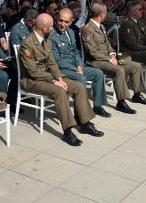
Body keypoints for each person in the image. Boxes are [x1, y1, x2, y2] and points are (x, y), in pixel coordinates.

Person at [19, 14, 104, 146]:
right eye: (51, 25)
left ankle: (85, 123)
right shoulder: (27, 44)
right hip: (32, 81)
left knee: (79, 87)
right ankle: (68, 131)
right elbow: (33, 72)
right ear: (43, 27)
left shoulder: (46, 40)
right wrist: (54, 81)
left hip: (47, 77)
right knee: (59, 91)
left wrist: (59, 77)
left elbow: (52, 63)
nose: (53, 28)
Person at [81, 1, 146, 114]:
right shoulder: (88, 29)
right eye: (106, 13)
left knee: (135, 66)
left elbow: (108, 44)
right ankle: (121, 102)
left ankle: (137, 94)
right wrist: (110, 59)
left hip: (107, 58)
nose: (106, 15)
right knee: (119, 70)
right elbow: (93, 52)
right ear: (102, 14)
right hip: (96, 61)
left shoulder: (101, 26)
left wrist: (112, 54)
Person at [51, 8, 110, 118]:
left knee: (98, 73)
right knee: (81, 78)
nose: (62, 24)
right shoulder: (52, 35)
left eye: (66, 22)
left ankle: (97, 106)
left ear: (72, 21)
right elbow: (57, 61)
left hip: (74, 66)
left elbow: (75, 51)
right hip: (62, 69)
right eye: (60, 20)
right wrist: (75, 69)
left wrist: (79, 65)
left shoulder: (71, 33)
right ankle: (80, 113)